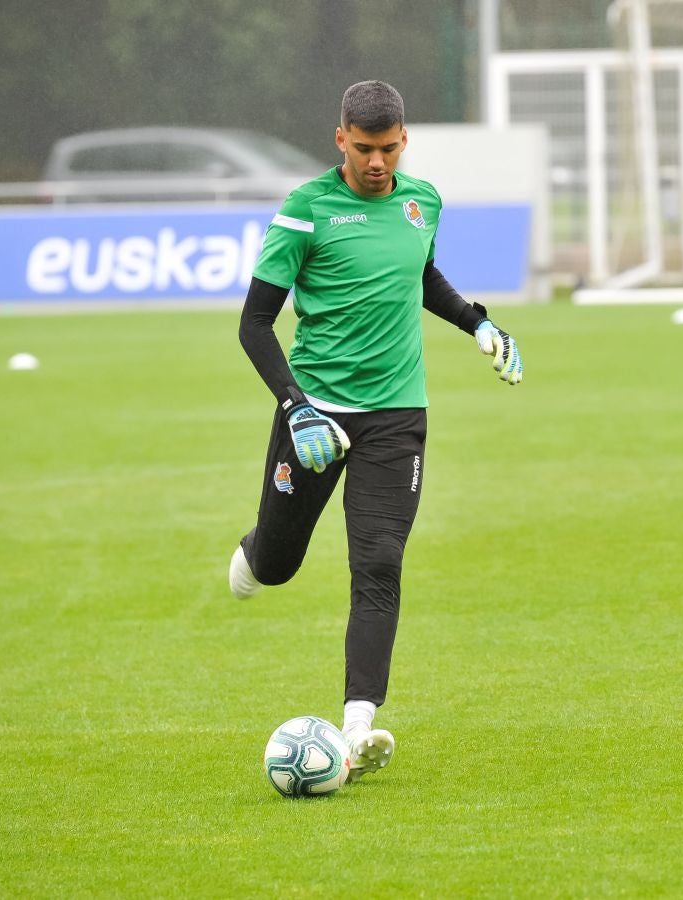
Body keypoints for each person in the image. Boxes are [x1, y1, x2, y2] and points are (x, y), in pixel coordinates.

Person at [228, 80, 523, 783]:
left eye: (388, 149)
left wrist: (477, 322)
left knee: (379, 562)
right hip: (315, 414)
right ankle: (254, 551)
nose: (377, 164)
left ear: (403, 140)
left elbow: (420, 277)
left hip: (396, 416)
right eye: (364, 150)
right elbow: (254, 324)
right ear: (341, 141)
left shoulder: (422, 202)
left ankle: (357, 727)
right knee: (278, 564)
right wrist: (297, 407)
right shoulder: (305, 211)